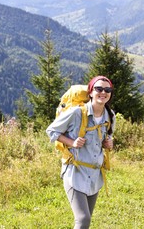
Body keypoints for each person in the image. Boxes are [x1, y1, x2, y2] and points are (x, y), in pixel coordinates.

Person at [46, 76, 115, 229]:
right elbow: (51, 131)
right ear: (90, 92)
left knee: (86, 220)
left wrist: (109, 143)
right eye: (99, 89)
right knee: (83, 219)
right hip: (75, 173)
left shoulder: (109, 116)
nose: (103, 92)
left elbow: (107, 137)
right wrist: (72, 142)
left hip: (95, 176)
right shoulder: (76, 113)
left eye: (107, 90)